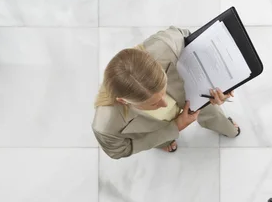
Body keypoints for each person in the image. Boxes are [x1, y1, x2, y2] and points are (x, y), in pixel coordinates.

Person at [93, 27, 240, 159]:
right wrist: (175, 127)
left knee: (212, 112)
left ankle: (225, 126)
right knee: (160, 135)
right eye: (154, 103)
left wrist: (219, 82)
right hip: (153, 127)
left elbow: (195, 45)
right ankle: (164, 140)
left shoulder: (166, 44)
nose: (164, 104)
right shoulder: (105, 126)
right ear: (124, 101)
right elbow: (119, 150)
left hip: (184, 91)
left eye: (162, 92)